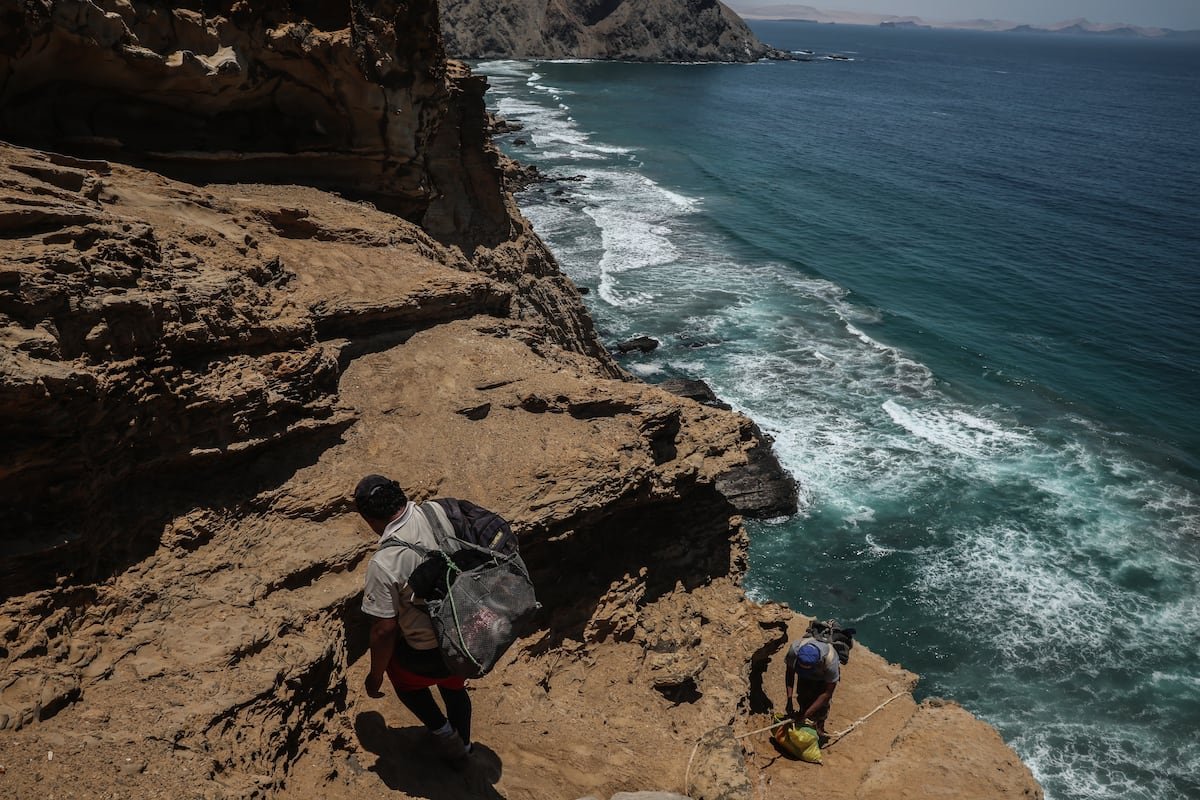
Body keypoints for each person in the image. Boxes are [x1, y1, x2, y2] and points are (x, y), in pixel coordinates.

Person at [354, 474, 473, 763]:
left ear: (370, 520)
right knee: (455, 685)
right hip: (464, 630)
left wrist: (375, 676)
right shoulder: (437, 511)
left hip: (427, 652)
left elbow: (384, 630)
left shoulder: (384, 563)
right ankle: (466, 746)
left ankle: (444, 733)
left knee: (403, 679)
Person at [784, 637, 841, 741]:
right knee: (803, 696)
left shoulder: (830, 662)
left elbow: (826, 694)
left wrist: (805, 715)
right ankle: (802, 724)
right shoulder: (794, 651)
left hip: (822, 678)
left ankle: (819, 728)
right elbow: (790, 674)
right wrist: (789, 700)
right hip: (805, 676)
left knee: (821, 708)